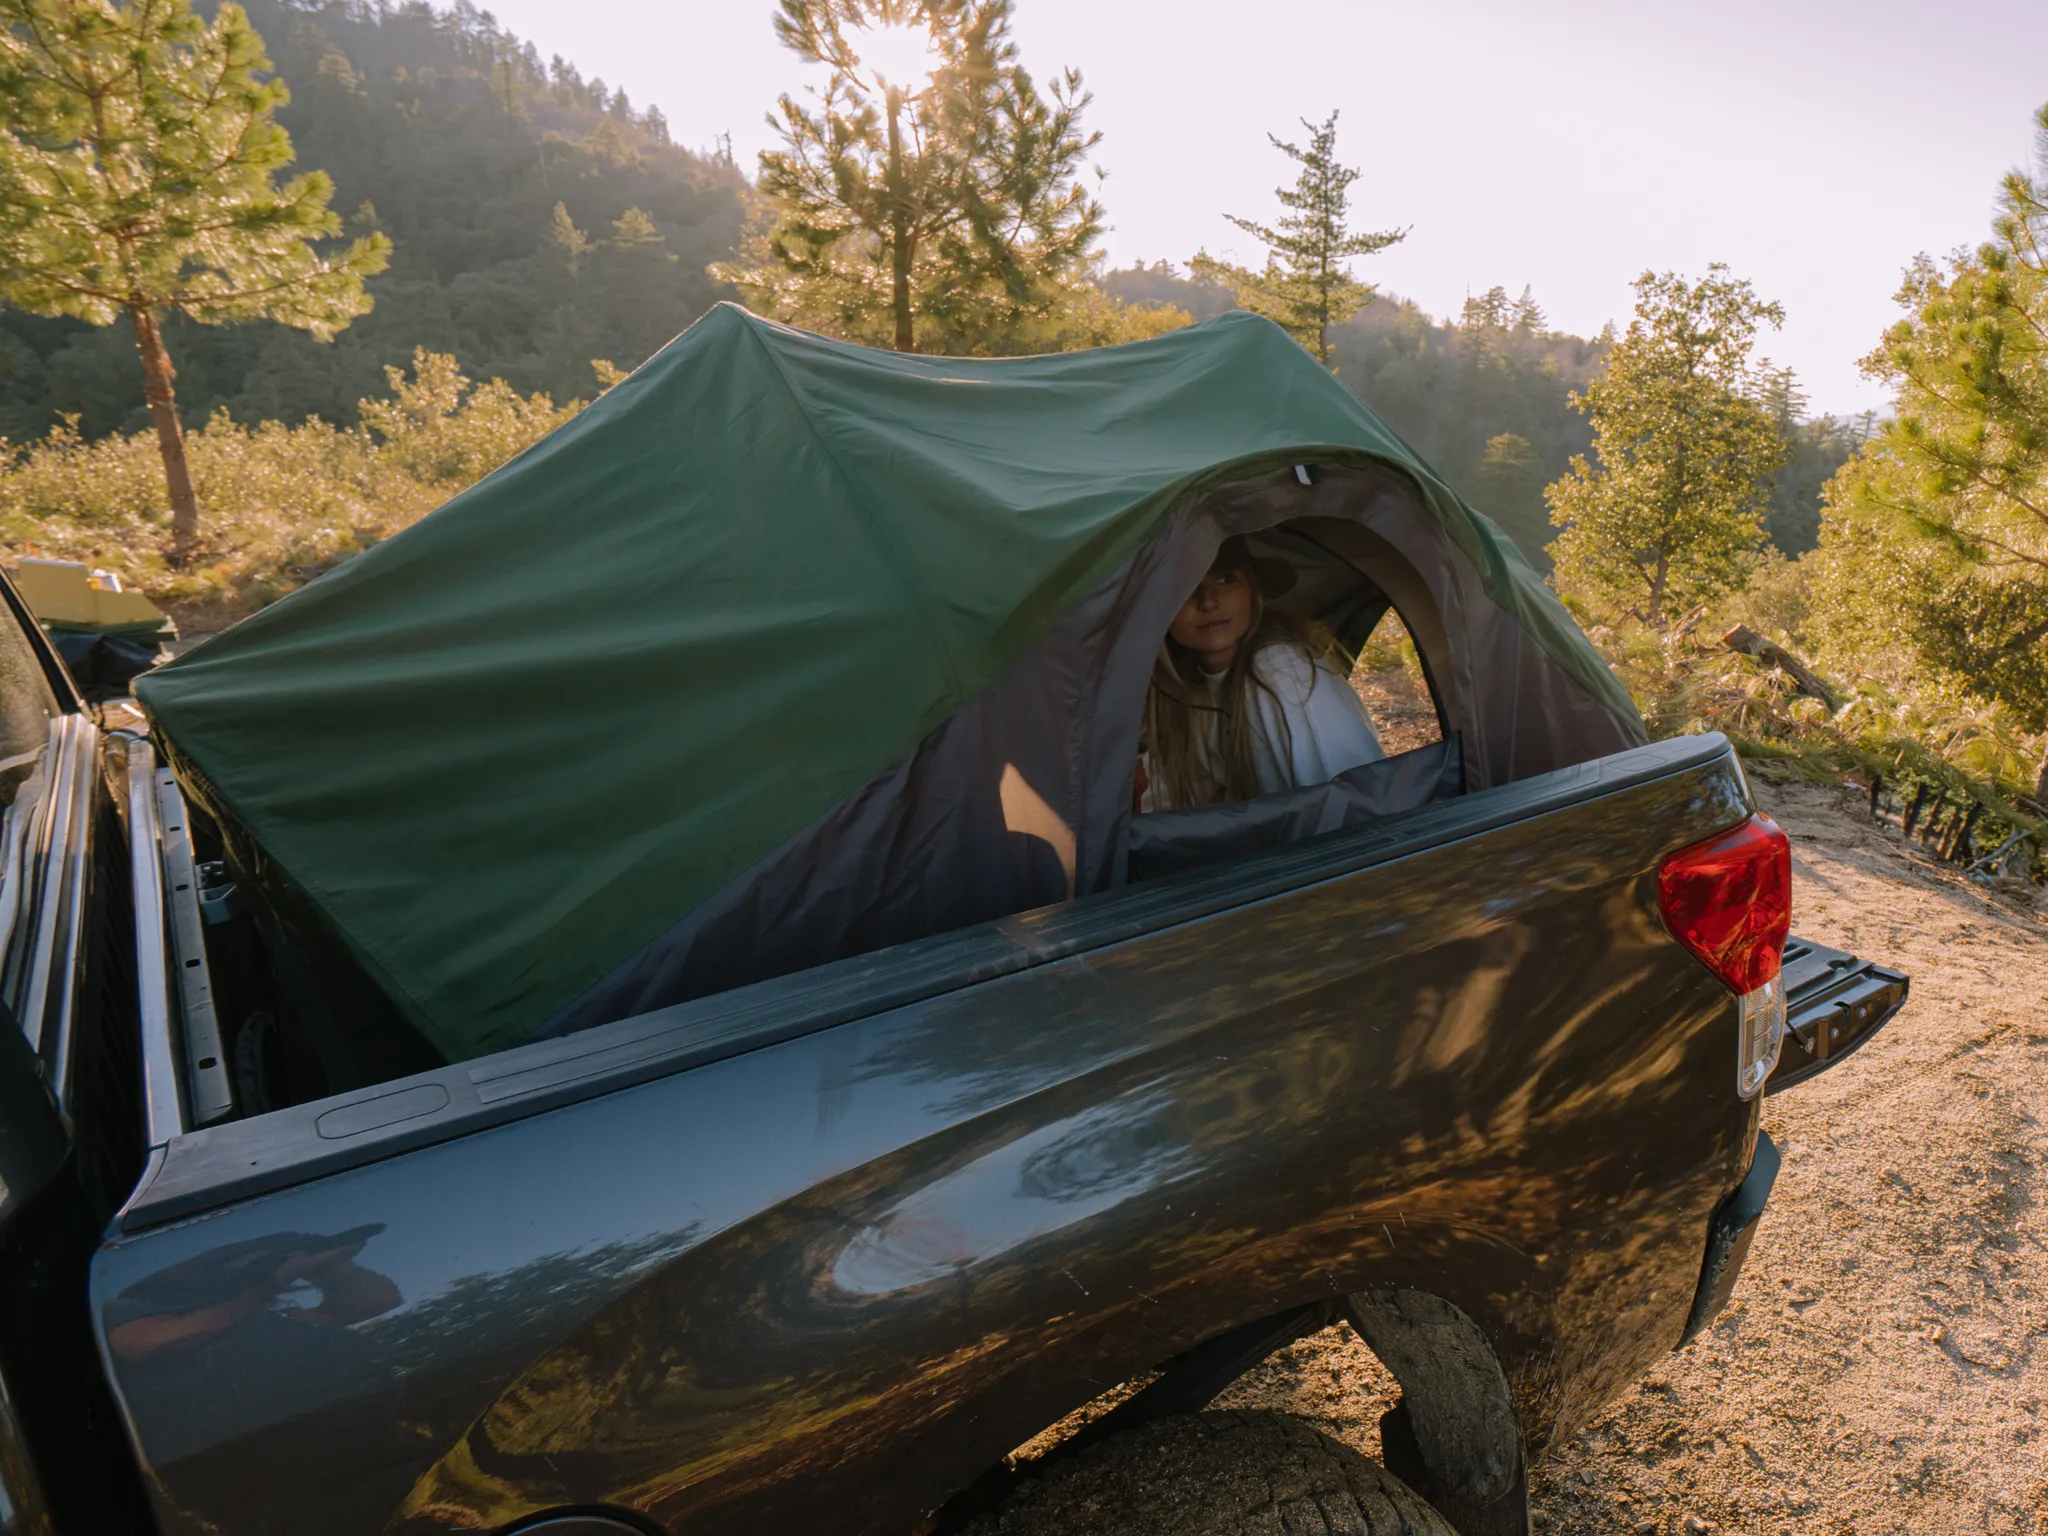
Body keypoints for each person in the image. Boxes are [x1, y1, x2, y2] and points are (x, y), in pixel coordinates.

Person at [1138, 536, 1384, 813]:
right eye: (1184, 586)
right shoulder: (1184, 689)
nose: (1208, 602)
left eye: (1225, 580)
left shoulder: (1281, 671)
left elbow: (1349, 807)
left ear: (1252, 592)